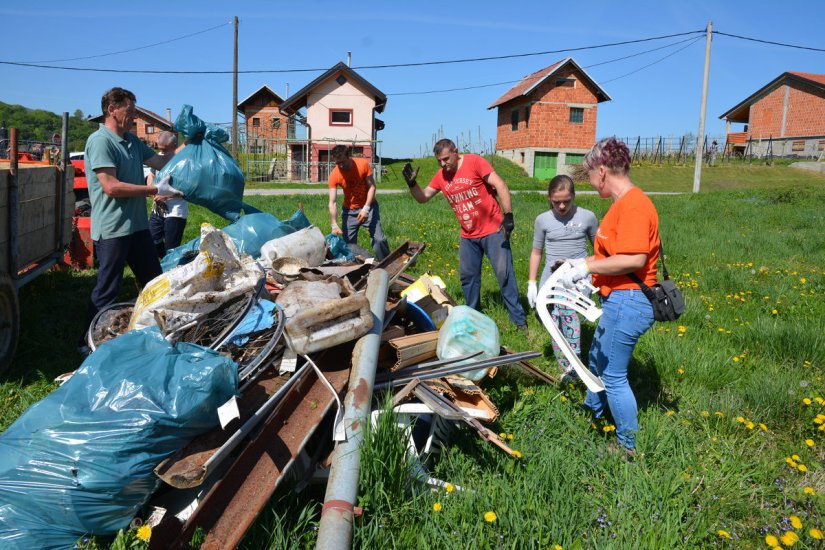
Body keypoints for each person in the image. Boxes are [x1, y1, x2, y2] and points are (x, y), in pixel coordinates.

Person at [558, 137, 660, 457]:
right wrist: (587, 271)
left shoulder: (633, 204)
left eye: (589, 174)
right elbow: (616, 255)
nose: (589, 181)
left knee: (613, 376)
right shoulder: (623, 204)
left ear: (602, 171)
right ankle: (595, 418)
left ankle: (627, 447)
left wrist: (586, 265)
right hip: (618, 298)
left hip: (629, 300)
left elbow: (633, 259)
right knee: (597, 360)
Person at [81, 87, 180, 350]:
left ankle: (162, 330)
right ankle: (88, 342)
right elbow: (111, 187)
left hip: (137, 227)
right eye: (130, 111)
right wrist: (154, 190)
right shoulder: (101, 141)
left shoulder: (131, 141)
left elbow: (160, 162)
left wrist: (191, 148)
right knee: (108, 289)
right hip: (113, 228)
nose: (134, 116)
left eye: (135, 111)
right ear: (112, 110)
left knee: (154, 281)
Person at [403, 139, 527, 331]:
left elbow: (500, 185)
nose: (444, 164)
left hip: (493, 230)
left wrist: (508, 215)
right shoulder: (441, 176)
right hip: (468, 235)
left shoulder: (475, 162)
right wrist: (412, 184)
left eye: (446, 159)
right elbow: (423, 197)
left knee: (504, 275)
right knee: (468, 278)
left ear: (456, 152)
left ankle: (519, 321)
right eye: (439, 161)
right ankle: (474, 317)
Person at [526, 175, 598, 379]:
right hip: (552, 277)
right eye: (556, 201)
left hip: (577, 277)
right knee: (552, 319)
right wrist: (532, 281)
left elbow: (600, 250)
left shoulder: (587, 217)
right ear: (549, 198)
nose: (562, 206)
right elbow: (536, 251)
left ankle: (574, 366)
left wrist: (591, 271)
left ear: (574, 196)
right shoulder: (543, 220)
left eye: (567, 200)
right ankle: (564, 364)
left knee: (570, 317)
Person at [327, 144, 390, 260]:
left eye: (342, 162)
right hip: (349, 211)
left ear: (349, 156)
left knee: (379, 239)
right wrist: (334, 224)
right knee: (349, 245)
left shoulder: (362, 164)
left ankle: (387, 263)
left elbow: (372, 187)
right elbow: (332, 202)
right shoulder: (335, 174)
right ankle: (356, 267)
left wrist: (366, 208)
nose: (340, 165)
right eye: (337, 163)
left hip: (369, 207)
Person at [148, 131, 188, 258]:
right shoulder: (159, 157)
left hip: (176, 211)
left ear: (174, 145)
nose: (162, 153)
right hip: (157, 209)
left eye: (165, 150)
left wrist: (167, 197)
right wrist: (151, 189)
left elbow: (188, 190)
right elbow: (151, 174)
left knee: (171, 247)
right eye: (160, 150)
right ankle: (164, 262)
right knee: (152, 240)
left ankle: (170, 267)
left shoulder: (184, 162)